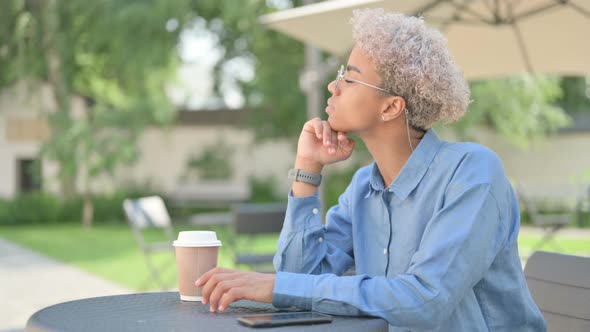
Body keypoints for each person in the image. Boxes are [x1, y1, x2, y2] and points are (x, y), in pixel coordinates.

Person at [195, 8, 546, 331]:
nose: (333, 87)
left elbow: (424, 299)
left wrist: (276, 286)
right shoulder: (364, 186)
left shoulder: (473, 174)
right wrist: (307, 169)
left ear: (391, 106)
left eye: (349, 78)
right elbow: (299, 279)